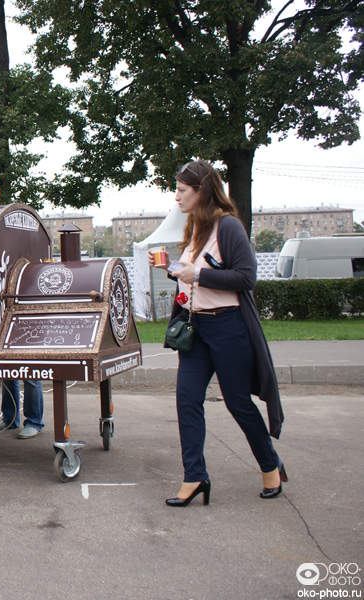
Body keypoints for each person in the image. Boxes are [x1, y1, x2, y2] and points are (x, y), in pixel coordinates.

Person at [149, 159, 285, 507]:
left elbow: (246, 277)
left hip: (229, 327)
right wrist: (174, 270)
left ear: (202, 191)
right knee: (186, 401)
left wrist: (199, 275)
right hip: (197, 327)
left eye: (182, 190)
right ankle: (194, 477)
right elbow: (192, 274)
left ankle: (270, 465)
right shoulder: (196, 228)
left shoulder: (229, 227)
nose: (176, 196)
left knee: (238, 402)